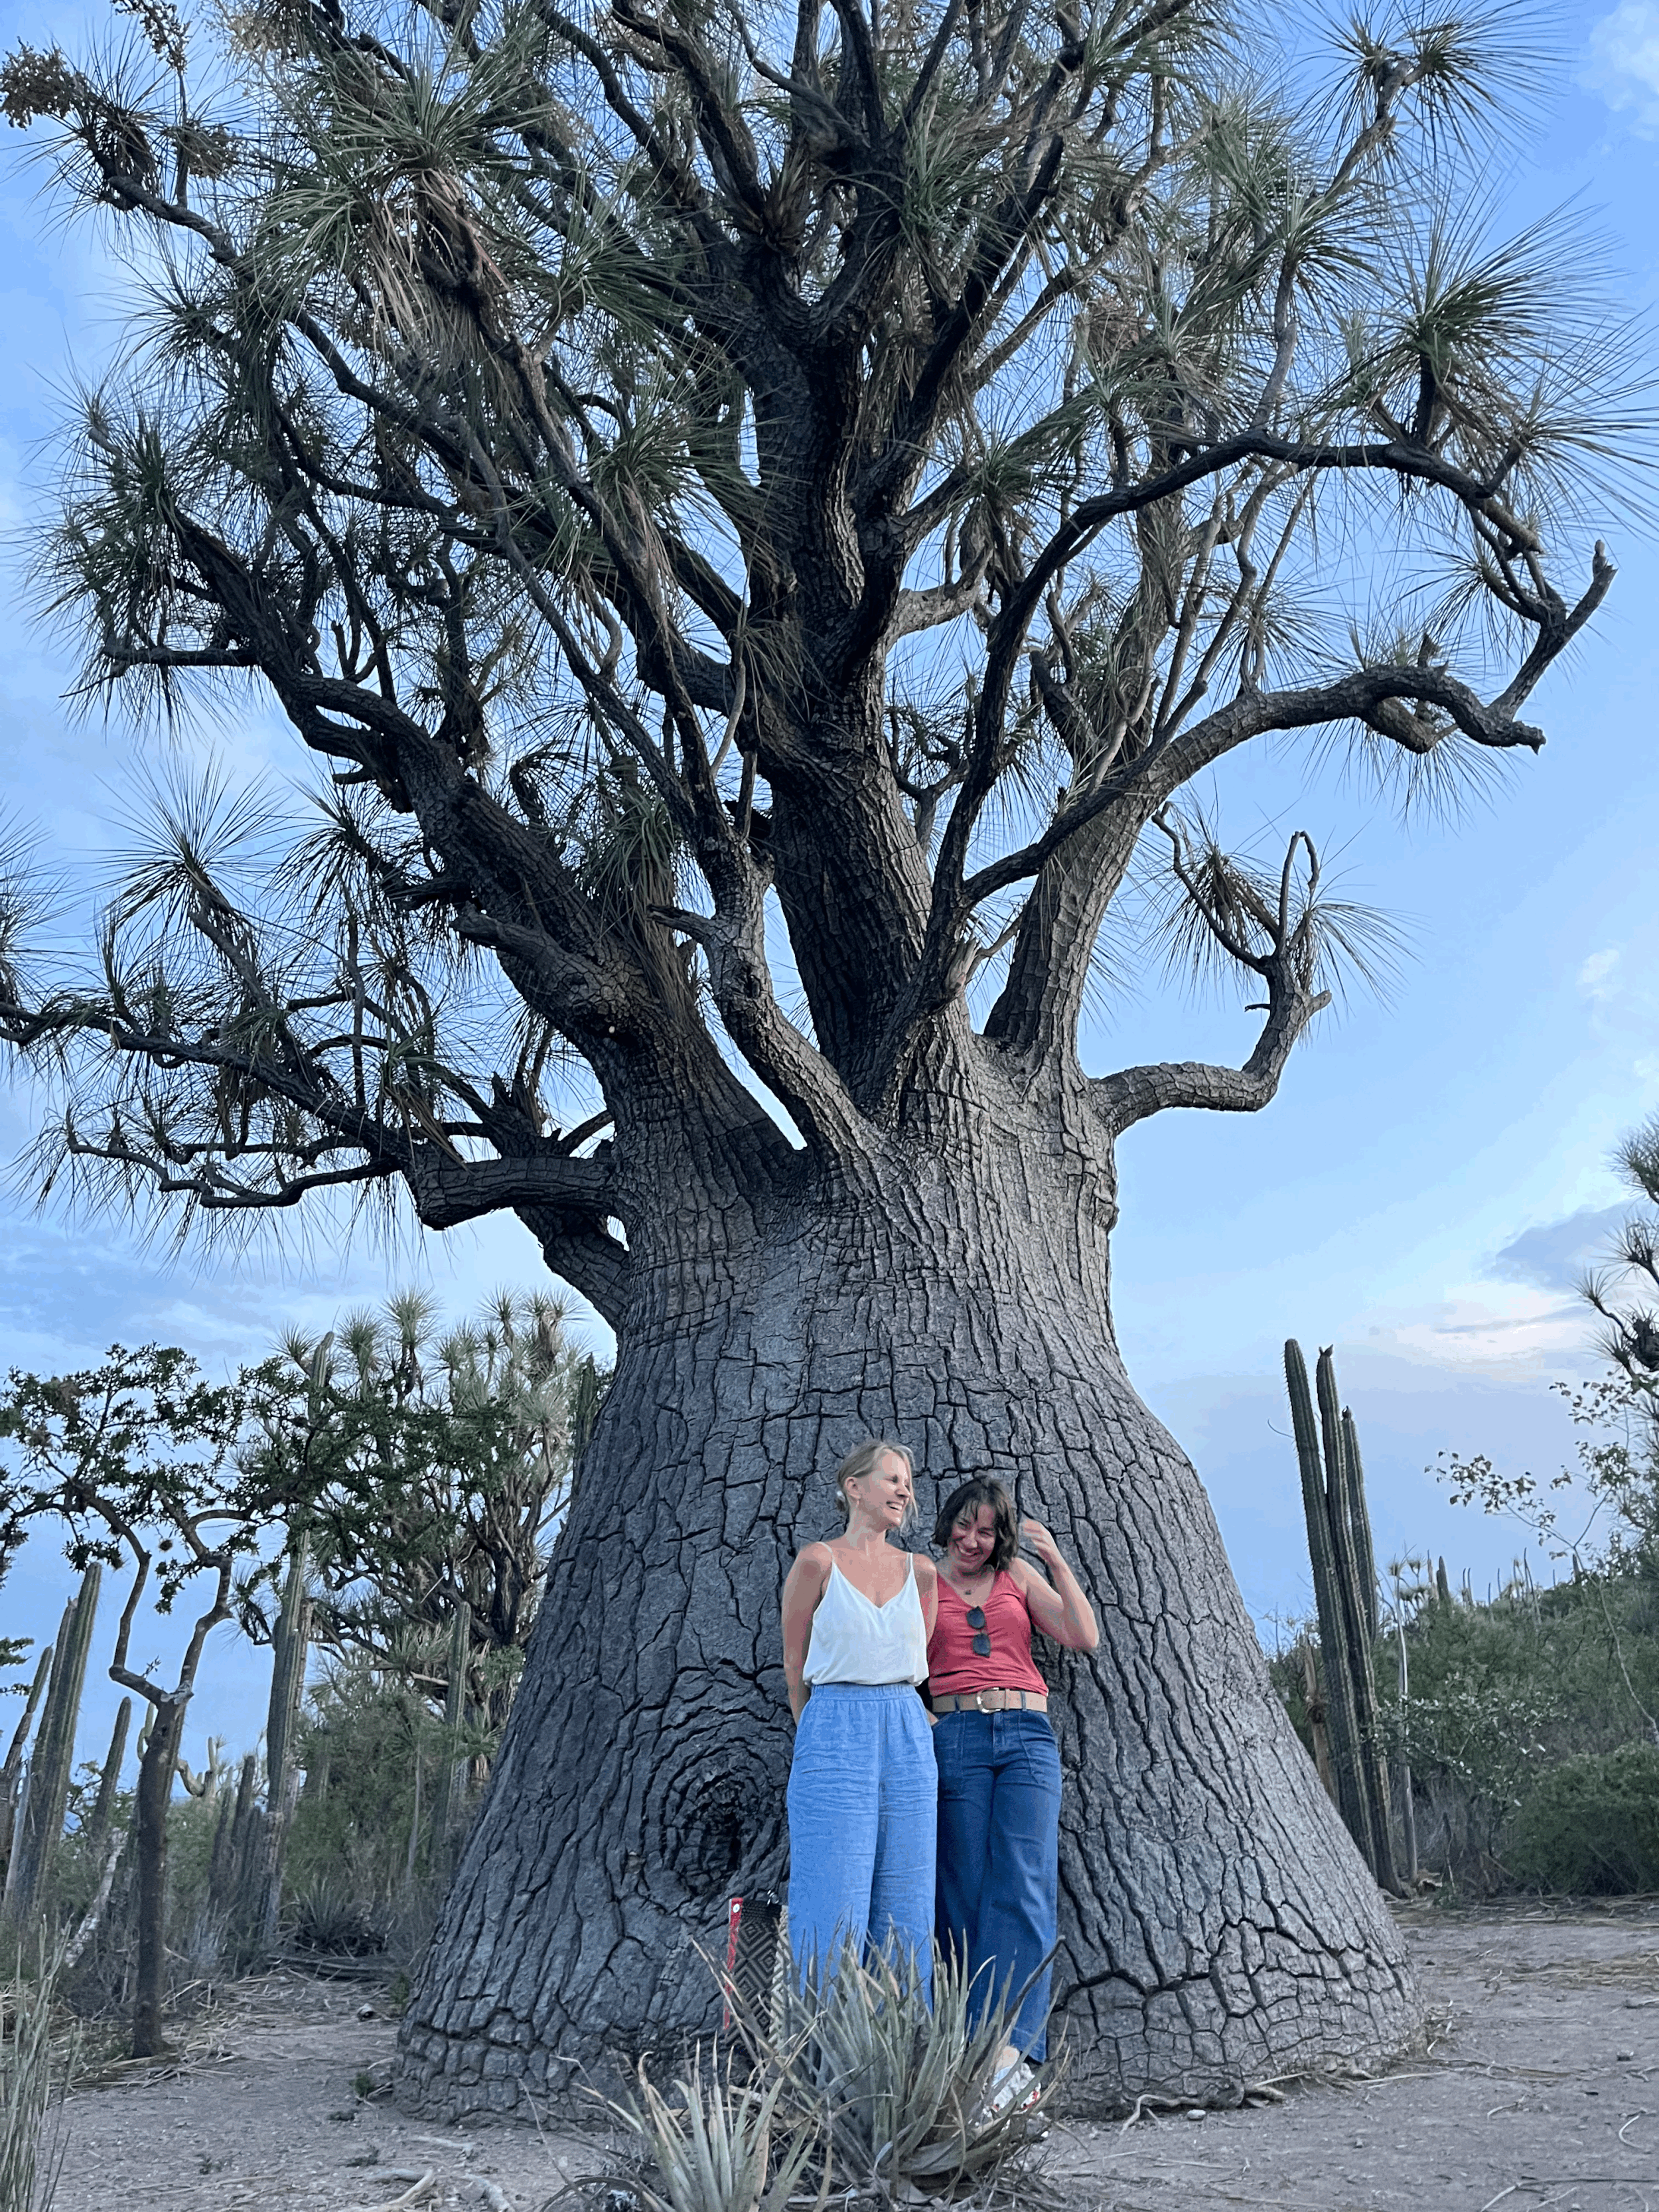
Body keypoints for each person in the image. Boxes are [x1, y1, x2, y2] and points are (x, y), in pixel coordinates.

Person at [928, 1475, 1098, 2114]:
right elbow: (899, 1653)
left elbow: (1083, 1635)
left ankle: (1011, 2063)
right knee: (964, 1893)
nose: (974, 1540)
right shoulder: (924, 1578)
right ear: (947, 1523)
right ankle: (969, 2053)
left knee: (1023, 1888)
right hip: (957, 1735)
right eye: (965, 1526)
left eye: (988, 1530)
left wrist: (1052, 1558)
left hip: (1026, 1733)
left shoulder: (1019, 1578)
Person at [780, 1438, 940, 1994]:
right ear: (854, 1486)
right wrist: (817, 1730)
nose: (904, 1489)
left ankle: (901, 2057)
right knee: (831, 1894)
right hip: (834, 1720)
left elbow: (917, 1661)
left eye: (908, 1482)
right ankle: (817, 2059)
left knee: (908, 1896)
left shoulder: (921, 1573)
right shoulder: (816, 1562)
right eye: (892, 1478)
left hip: (905, 1724)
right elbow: (794, 1662)